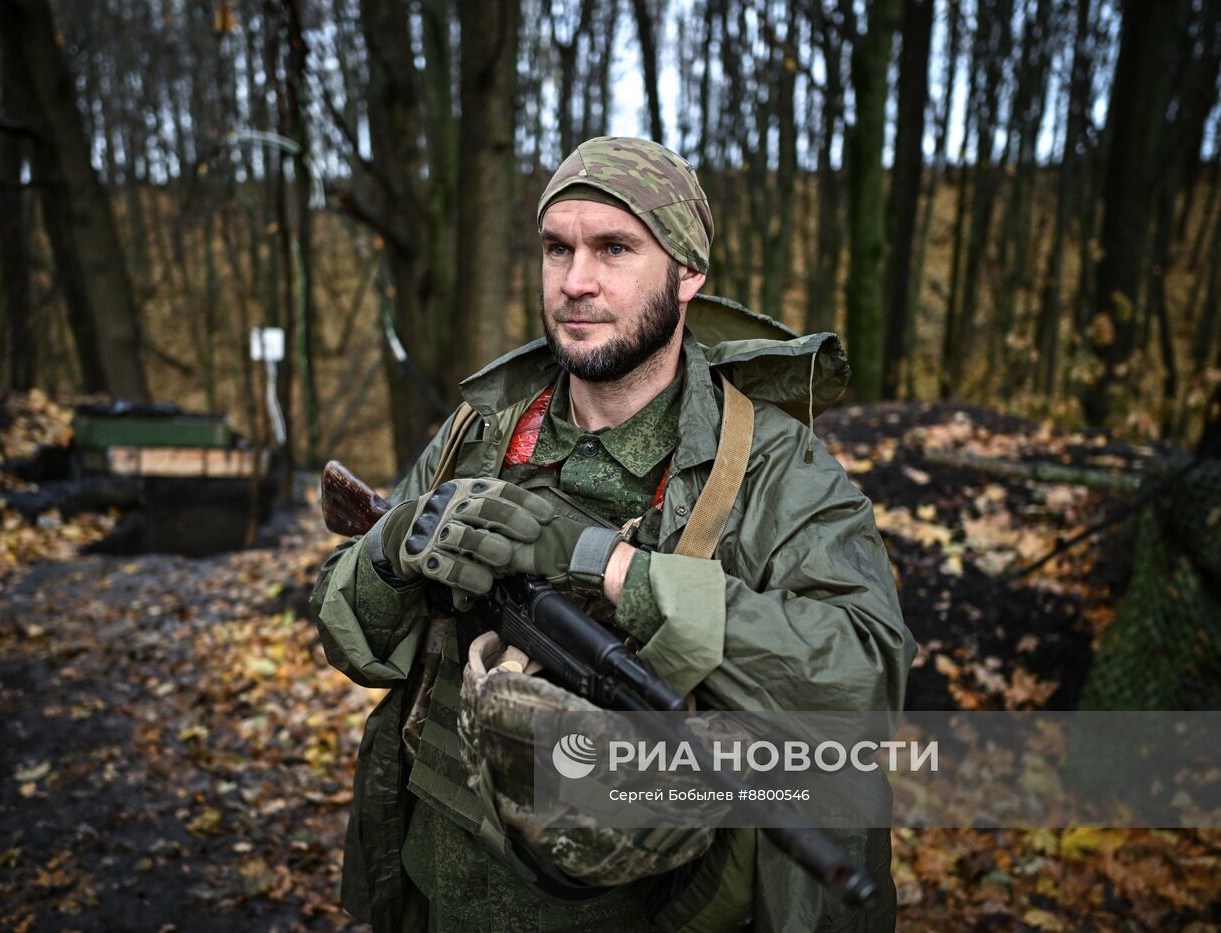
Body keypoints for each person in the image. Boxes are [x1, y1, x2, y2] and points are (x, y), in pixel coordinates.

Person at [310, 136, 915, 931]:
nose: (575, 282)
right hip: (437, 898)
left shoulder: (772, 467)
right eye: (556, 248)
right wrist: (393, 550)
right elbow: (352, 638)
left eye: (615, 248)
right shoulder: (484, 429)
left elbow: (864, 678)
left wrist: (609, 565)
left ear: (688, 273)